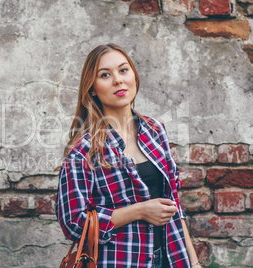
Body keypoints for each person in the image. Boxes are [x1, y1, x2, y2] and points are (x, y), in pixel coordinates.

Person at [55, 43, 201, 268]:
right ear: (92, 88)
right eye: (105, 75)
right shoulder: (83, 150)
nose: (118, 80)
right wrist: (139, 211)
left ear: (134, 75)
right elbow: (73, 223)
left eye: (123, 70)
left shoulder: (155, 130)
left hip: (170, 259)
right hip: (119, 261)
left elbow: (173, 201)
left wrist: (194, 262)